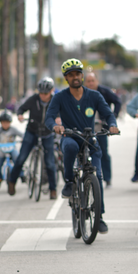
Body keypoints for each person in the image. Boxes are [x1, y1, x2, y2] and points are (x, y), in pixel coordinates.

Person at [48, 59, 120, 234]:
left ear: (82, 75)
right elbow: (49, 117)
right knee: (70, 148)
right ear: (66, 78)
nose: (75, 77)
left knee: (98, 175)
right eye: (71, 75)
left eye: (77, 74)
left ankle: (99, 216)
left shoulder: (94, 96)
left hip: (90, 138)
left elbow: (108, 113)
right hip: (70, 136)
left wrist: (112, 124)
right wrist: (55, 126)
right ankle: (69, 182)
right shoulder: (60, 97)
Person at [8, 77, 58, 198]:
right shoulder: (33, 99)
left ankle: (53, 189)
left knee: (50, 163)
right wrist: (20, 115)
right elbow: (21, 108)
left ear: (52, 91)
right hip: (32, 131)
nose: (43, 95)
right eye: (40, 92)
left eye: (46, 93)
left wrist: (59, 119)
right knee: (21, 158)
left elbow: (62, 112)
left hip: (47, 133)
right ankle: (12, 181)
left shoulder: (55, 101)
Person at [84, 72, 122, 188]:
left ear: (97, 81)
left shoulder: (104, 92)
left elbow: (117, 101)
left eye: (93, 81)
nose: (91, 83)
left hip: (101, 127)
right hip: (86, 128)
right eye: (88, 81)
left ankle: (107, 178)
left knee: (103, 152)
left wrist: (113, 116)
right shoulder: (82, 93)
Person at [0, 111, 23, 191]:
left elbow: (22, 134)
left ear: (10, 122)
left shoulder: (13, 129)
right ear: (0, 122)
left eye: (7, 122)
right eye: (3, 122)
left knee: (18, 161)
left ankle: (21, 174)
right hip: (2, 151)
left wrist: (23, 138)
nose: (5, 124)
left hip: (12, 149)